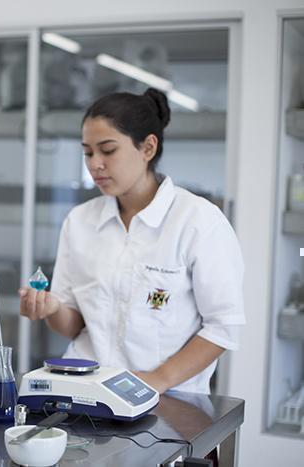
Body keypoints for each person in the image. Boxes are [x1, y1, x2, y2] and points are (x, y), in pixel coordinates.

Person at [19, 88, 245, 395]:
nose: (95, 164)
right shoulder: (80, 221)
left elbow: (223, 327)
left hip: (169, 401)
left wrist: (158, 380)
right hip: (86, 392)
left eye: (108, 150)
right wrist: (50, 309)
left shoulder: (198, 221)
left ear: (148, 147)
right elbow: (72, 326)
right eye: (87, 152)